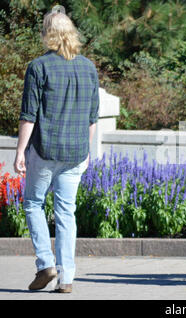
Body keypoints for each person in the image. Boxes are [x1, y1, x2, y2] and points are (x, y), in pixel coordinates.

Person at [14, 8, 99, 293]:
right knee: (66, 213)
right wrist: (87, 151)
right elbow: (92, 116)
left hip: (45, 149)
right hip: (76, 152)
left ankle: (45, 263)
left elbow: (29, 115)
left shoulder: (39, 67)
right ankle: (67, 278)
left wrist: (19, 151)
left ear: (47, 35)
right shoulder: (88, 67)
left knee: (33, 204)